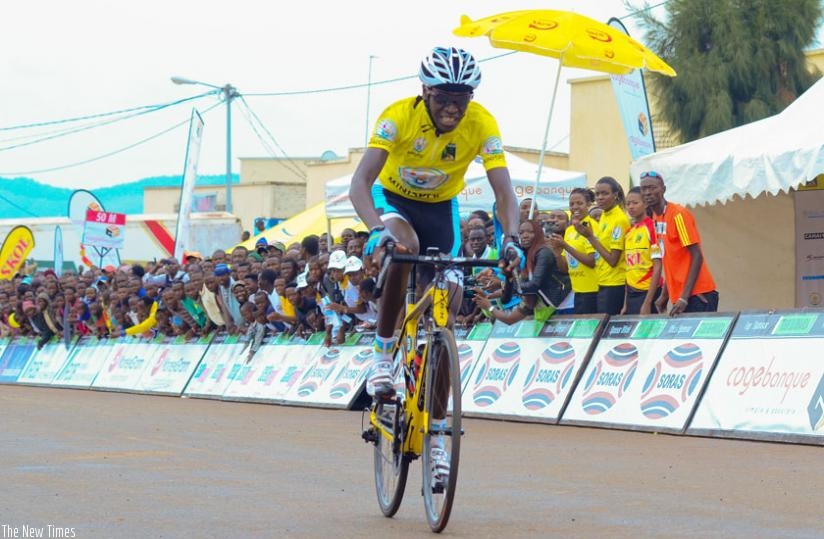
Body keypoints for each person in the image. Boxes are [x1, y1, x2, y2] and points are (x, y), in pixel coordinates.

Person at [349, 46, 521, 483]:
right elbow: (360, 182)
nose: (452, 107)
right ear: (425, 91)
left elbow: (503, 193)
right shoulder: (397, 117)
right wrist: (374, 230)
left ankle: (438, 437)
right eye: (443, 96)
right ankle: (383, 354)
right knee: (403, 250)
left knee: (450, 303)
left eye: (461, 98)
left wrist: (513, 238)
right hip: (394, 201)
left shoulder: (482, 123)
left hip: (441, 209)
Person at [640, 171, 719, 316]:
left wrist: (684, 298)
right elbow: (671, 260)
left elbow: (697, 256)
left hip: (697, 295)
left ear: (663, 189)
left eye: (652, 188)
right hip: (680, 296)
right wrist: (664, 294)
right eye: (644, 189)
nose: (647, 192)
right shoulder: (656, 219)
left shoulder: (678, 215)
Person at [474, 219, 570, 325]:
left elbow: (533, 285)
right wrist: (487, 299)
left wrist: (500, 287)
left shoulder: (544, 253)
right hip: (550, 310)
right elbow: (509, 318)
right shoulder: (526, 258)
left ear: (539, 234)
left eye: (530, 232)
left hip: (567, 306)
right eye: (521, 233)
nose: (525, 236)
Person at [576, 177, 631, 315]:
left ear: (615, 195)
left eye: (605, 193)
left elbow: (613, 260)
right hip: (602, 281)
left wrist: (590, 237)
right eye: (597, 194)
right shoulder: (605, 216)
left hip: (615, 284)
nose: (600, 197)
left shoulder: (619, 219)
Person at [550, 187, 598, 314]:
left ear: (588, 204)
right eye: (571, 204)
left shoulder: (592, 226)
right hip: (577, 291)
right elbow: (565, 268)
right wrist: (557, 252)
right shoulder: (570, 230)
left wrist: (565, 246)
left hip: (592, 290)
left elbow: (591, 261)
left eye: (579, 203)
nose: (575, 207)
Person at [622, 187, 662, 315]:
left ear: (645, 204)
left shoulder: (652, 228)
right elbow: (628, 269)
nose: (631, 207)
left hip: (649, 291)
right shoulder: (628, 232)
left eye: (635, 203)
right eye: (628, 204)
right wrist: (625, 304)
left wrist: (647, 302)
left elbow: (657, 265)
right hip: (631, 293)